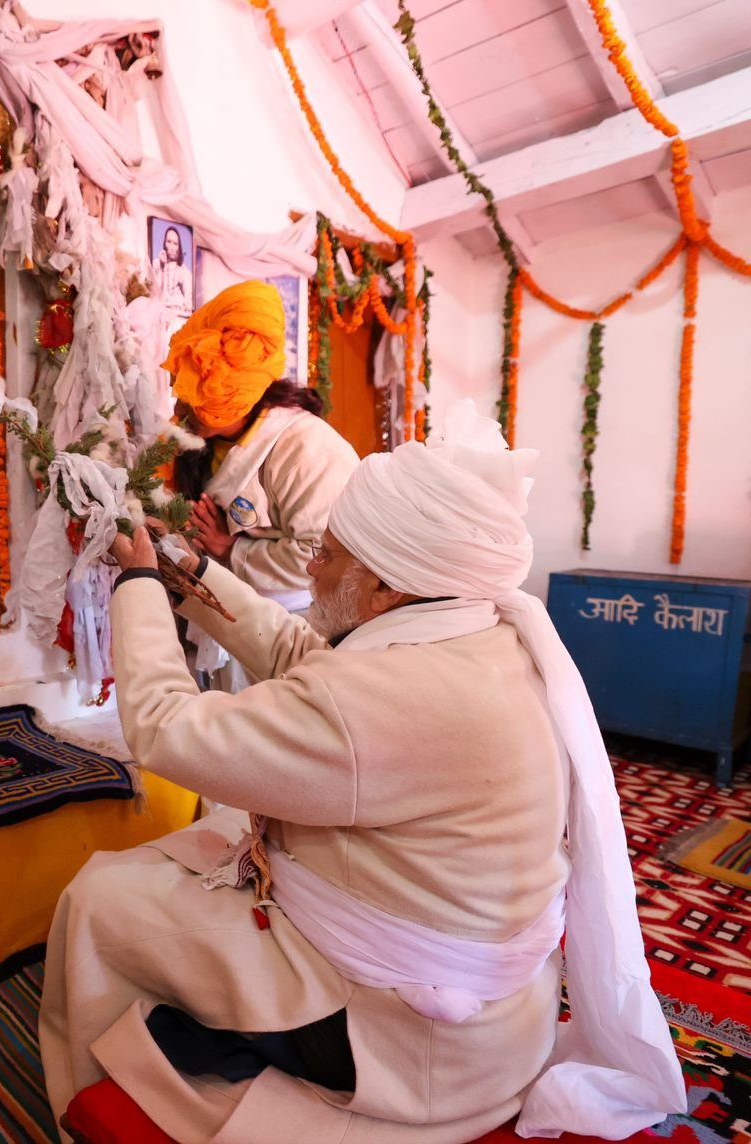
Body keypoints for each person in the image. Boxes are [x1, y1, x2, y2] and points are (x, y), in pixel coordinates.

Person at [39, 403, 685, 1142]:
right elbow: (306, 657)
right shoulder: (481, 634)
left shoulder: (385, 695)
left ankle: (90, 1110)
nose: (309, 567)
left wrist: (137, 585)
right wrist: (188, 571)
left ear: (385, 589)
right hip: (501, 1023)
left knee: (99, 899)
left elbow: (166, 729)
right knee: (207, 840)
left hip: (405, 1038)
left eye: (328, 554)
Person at [163, 279, 358, 688]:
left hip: (293, 628)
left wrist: (231, 549)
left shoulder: (306, 446)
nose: (181, 406)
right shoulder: (201, 441)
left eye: (196, 394)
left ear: (236, 396)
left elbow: (323, 555)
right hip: (222, 613)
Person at [151, 224, 194, 319]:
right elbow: (154, 293)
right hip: (159, 312)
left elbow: (189, 299)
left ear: (179, 247)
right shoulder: (156, 263)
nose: (171, 247)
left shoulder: (183, 270)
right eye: (169, 242)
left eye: (175, 243)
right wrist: (162, 268)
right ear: (164, 243)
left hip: (178, 313)